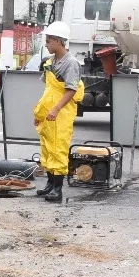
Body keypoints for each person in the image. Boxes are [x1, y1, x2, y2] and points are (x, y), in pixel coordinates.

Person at [33, 21, 85, 203]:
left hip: (61, 113)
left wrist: (55, 109)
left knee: (59, 147)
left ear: (58, 41)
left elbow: (71, 90)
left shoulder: (71, 64)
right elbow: (49, 90)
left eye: (48, 41)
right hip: (48, 112)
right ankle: (49, 184)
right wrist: (40, 113)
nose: (46, 44)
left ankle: (58, 189)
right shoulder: (50, 62)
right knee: (47, 148)